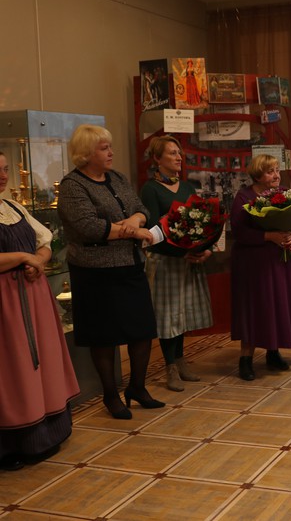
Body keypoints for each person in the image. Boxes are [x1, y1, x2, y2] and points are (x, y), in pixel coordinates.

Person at [58, 124, 164, 419]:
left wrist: (134, 221)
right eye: (104, 148)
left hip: (130, 265)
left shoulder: (117, 177)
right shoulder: (72, 185)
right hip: (95, 272)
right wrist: (134, 232)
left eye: (110, 147)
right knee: (103, 336)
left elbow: (142, 209)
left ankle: (137, 388)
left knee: (142, 331)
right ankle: (110, 395)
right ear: (85, 153)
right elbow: (89, 227)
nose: (111, 152)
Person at [0, 152, 80, 470]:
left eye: (5, 169)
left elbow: (44, 240)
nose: (3, 176)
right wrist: (24, 257)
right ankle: (12, 444)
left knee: (39, 361)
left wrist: (40, 260)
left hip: (32, 294)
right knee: (13, 368)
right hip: (5, 301)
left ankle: (45, 436)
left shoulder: (13, 207)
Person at [140, 135, 211, 392]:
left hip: (187, 261)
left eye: (179, 153)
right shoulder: (150, 189)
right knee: (168, 316)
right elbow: (152, 231)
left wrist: (204, 249)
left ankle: (181, 361)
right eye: (172, 153)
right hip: (165, 261)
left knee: (182, 313)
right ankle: (169, 366)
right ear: (157, 159)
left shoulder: (187, 187)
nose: (179, 157)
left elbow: (200, 222)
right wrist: (181, 253)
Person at [230, 154, 291, 380]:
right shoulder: (244, 197)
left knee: (278, 306)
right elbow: (239, 232)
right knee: (257, 308)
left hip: (283, 263)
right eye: (270, 171)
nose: (276, 175)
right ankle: (245, 359)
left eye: (277, 170)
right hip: (256, 266)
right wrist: (269, 236)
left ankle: (273, 353)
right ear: (257, 175)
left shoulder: (286, 193)